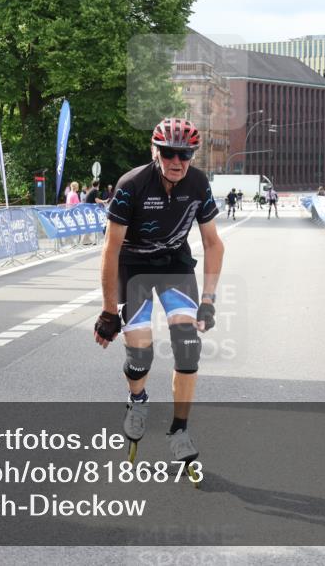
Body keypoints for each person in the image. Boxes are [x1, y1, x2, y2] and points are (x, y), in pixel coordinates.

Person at [93, 117, 224, 466]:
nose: (177, 162)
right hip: (133, 268)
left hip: (174, 266)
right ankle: (137, 402)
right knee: (140, 357)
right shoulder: (131, 184)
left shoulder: (197, 184)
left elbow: (213, 244)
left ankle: (180, 430)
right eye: (169, 154)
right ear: (155, 151)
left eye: (185, 154)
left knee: (188, 345)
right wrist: (108, 311)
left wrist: (208, 299)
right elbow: (110, 249)